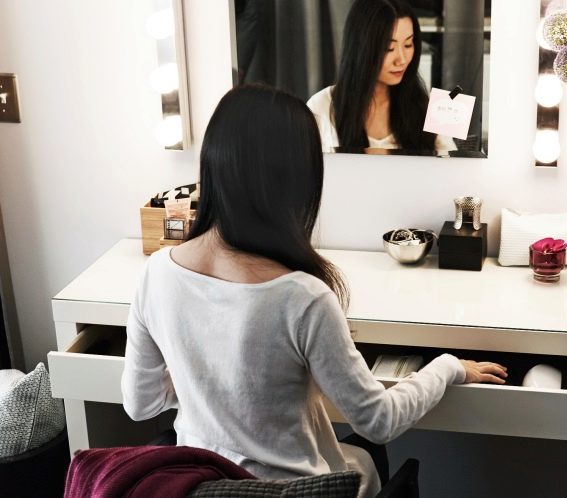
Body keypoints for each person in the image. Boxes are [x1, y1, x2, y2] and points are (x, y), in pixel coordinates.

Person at [121, 84, 506, 498]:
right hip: (294, 491)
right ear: (295, 182)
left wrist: (203, 376)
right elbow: (378, 421)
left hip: (204, 485)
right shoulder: (302, 298)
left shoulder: (157, 272)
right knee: (365, 458)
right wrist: (447, 367)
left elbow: (140, 404)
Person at [307, 0, 456, 154]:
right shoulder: (321, 108)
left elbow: (452, 165)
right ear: (361, 48)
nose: (402, 60)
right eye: (389, 48)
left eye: (408, 45)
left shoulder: (431, 107)